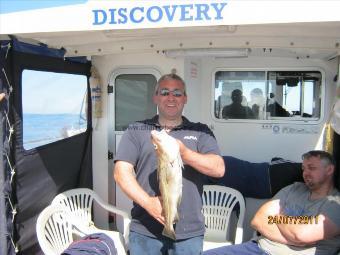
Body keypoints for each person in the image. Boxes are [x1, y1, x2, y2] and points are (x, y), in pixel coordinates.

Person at [114, 73, 225, 255]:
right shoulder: (137, 129)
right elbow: (121, 173)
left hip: (190, 232)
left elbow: (218, 169)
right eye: (164, 92)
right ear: (155, 97)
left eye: (177, 93)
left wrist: (184, 153)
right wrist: (149, 204)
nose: (171, 97)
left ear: (185, 98)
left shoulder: (200, 131)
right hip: (145, 231)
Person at [203, 150, 340, 255]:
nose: (305, 173)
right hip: (257, 248)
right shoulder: (294, 188)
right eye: (303, 168)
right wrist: (294, 238)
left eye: (312, 168)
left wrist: (276, 218)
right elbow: (257, 220)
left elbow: (301, 235)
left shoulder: (335, 203)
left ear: (329, 170)